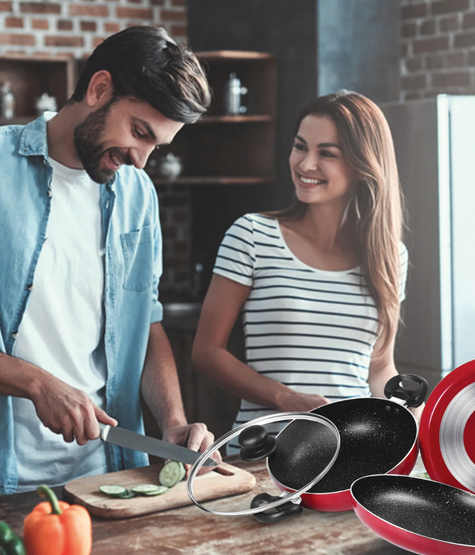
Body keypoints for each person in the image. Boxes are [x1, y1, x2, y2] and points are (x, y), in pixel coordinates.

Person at [0, 26, 220, 495]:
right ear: (99, 89)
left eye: (156, 146)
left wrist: (174, 423)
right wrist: (36, 382)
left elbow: (148, 322)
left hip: (108, 477)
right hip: (10, 479)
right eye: (139, 132)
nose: (141, 160)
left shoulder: (137, 195)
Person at [192, 90, 416, 454]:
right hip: (265, 452)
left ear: (363, 165)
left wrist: (405, 414)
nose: (305, 164)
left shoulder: (390, 256)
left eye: (326, 153)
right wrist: (284, 398)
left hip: (350, 455)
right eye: (300, 147)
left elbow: (379, 367)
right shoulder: (252, 235)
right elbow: (206, 352)